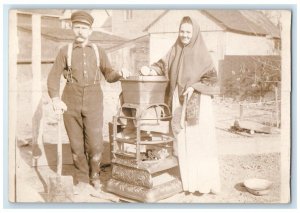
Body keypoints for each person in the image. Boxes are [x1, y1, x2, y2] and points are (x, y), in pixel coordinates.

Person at [47, 10, 129, 194]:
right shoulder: (64, 51)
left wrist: (119, 74)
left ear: (91, 30)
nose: (80, 31)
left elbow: (109, 74)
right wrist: (55, 99)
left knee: (95, 143)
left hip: (94, 99)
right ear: (72, 28)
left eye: (84, 28)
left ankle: (95, 176)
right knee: (76, 145)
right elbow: (53, 77)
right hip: (70, 99)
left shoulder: (98, 51)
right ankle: (82, 178)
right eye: (77, 27)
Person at [140, 16, 221, 194]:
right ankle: (190, 183)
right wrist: (150, 69)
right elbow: (163, 65)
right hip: (179, 100)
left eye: (188, 32)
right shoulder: (175, 49)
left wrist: (194, 87)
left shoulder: (202, 53)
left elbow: (213, 81)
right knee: (183, 142)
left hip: (199, 103)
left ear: (195, 33)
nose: (184, 35)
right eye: (182, 31)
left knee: (199, 142)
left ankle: (204, 183)